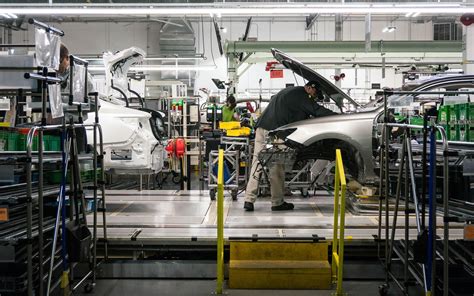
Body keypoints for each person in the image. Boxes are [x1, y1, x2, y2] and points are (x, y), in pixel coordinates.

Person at [244, 80, 336, 212]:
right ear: (310, 88)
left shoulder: (288, 92)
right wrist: (341, 116)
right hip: (276, 133)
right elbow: (317, 111)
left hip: (262, 128)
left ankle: (248, 199)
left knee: (257, 163)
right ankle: (277, 202)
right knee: (276, 167)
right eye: (315, 94)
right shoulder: (303, 96)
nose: (315, 98)